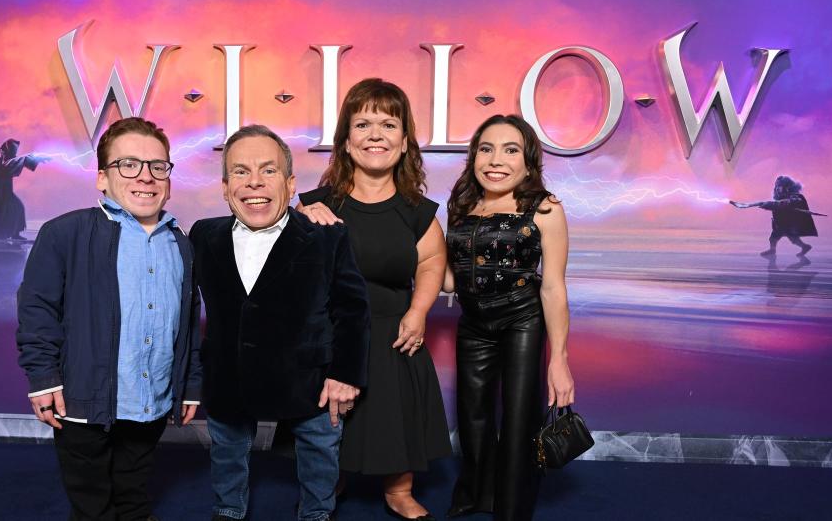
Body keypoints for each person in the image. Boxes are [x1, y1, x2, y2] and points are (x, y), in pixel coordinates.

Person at [16, 117, 200, 520]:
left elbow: (188, 324)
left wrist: (189, 386)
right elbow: (37, 311)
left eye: (158, 166)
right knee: (92, 501)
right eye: (128, 165)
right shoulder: (65, 234)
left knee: (134, 489)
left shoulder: (181, 244)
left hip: (149, 401)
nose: (146, 176)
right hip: (84, 402)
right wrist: (43, 378)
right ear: (102, 178)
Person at [188, 124, 370, 521]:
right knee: (227, 452)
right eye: (240, 171)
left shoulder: (326, 236)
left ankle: (317, 513)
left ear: (290, 185)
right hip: (228, 375)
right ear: (224, 187)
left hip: (309, 378)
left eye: (268, 171)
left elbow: (352, 310)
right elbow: (185, 308)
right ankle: (228, 510)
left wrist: (346, 375)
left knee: (320, 455)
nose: (254, 182)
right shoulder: (203, 235)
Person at [298, 78, 451, 521]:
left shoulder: (417, 210)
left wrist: (419, 311)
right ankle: (332, 479)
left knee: (394, 412)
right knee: (328, 421)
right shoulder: (318, 205)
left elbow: (430, 264)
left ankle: (398, 490)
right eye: (363, 124)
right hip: (333, 332)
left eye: (388, 124)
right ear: (346, 142)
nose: (376, 134)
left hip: (393, 330)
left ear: (405, 143)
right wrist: (298, 218)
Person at [442, 114, 575, 520]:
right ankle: (477, 494)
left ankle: (512, 508)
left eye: (510, 150)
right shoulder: (461, 205)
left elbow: (552, 287)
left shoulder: (545, 208)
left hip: (523, 319)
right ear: (474, 157)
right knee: (472, 416)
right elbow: (449, 278)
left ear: (528, 162)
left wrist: (560, 360)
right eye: (486, 149)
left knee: (520, 417)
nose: (496, 160)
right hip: (473, 324)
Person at [754, 176, 817, 257]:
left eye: (779, 186)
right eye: (776, 186)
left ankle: (804, 247)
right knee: (781, 238)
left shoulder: (793, 195)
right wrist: (768, 206)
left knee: (785, 238)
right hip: (779, 223)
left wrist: (791, 201)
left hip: (787, 223)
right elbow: (777, 207)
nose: (777, 188)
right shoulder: (778, 196)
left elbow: (796, 201)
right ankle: (804, 247)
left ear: (786, 187)